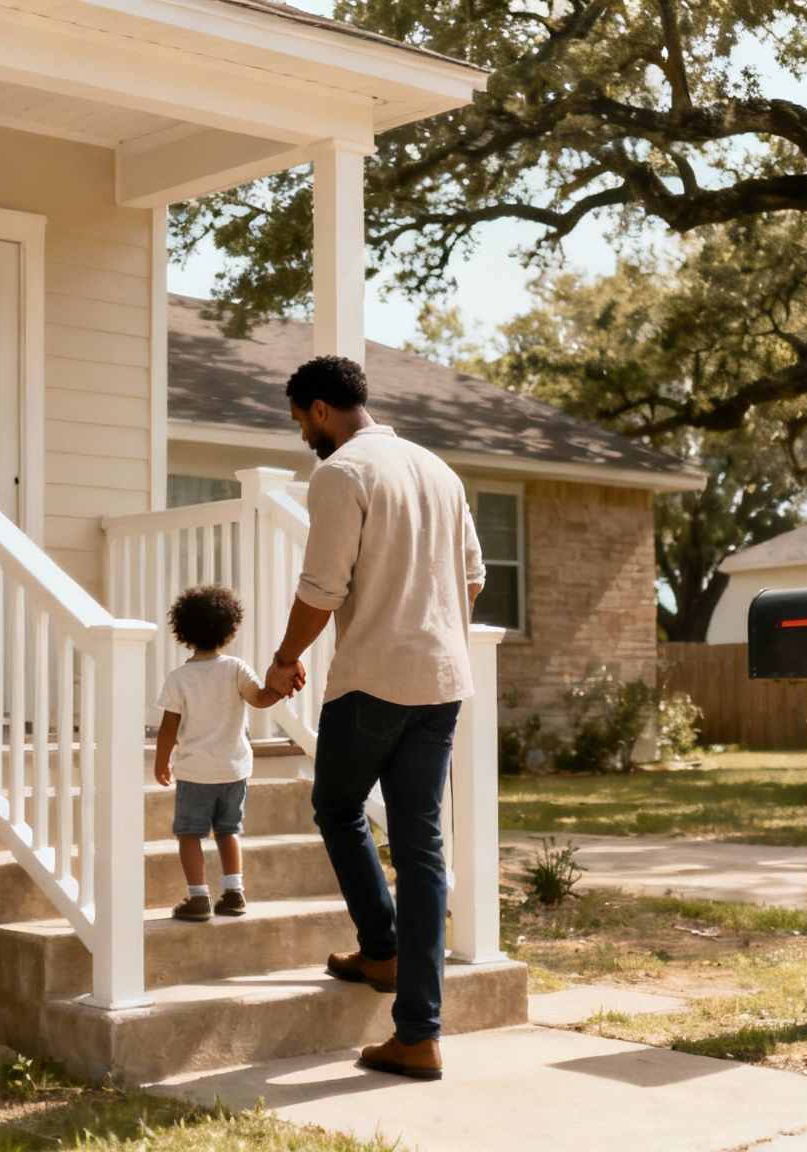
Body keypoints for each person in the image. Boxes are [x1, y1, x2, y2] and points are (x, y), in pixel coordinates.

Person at [264, 354, 484, 1081]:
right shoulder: (437, 470)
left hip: (372, 683)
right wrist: (429, 626)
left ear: (320, 408)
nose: (304, 436)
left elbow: (322, 586)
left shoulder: (343, 473)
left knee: (336, 803)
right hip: (444, 680)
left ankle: (383, 949)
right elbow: (474, 578)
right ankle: (416, 1029)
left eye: (301, 422)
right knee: (421, 845)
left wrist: (283, 659)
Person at [153, 585, 292, 922]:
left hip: (195, 771)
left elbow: (168, 728)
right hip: (233, 770)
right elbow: (259, 699)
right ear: (229, 629)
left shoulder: (179, 678)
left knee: (189, 833)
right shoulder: (235, 669)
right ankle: (233, 892)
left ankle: (197, 896)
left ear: (183, 632)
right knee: (229, 831)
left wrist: (161, 763)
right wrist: (279, 688)